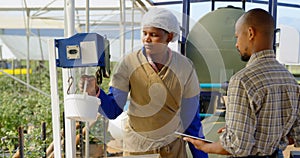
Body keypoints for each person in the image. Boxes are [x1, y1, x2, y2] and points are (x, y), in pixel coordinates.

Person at [80, 7, 208, 158]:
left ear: (169, 37)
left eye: (154, 35)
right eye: (145, 33)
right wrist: (95, 91)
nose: (147, 39)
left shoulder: (185, 67)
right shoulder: (129, 64)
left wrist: (201, 155)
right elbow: (113, 110)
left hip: (172, 149)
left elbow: (191, 119)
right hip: (138, 149)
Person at [184, 8, 300, 157]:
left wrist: (205, 147)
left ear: (250, 33)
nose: (236, 44)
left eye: (237, 37)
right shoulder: (290, 80)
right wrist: (267, 138)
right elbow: (296, 135)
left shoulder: (242, 81)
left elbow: (237, 147)